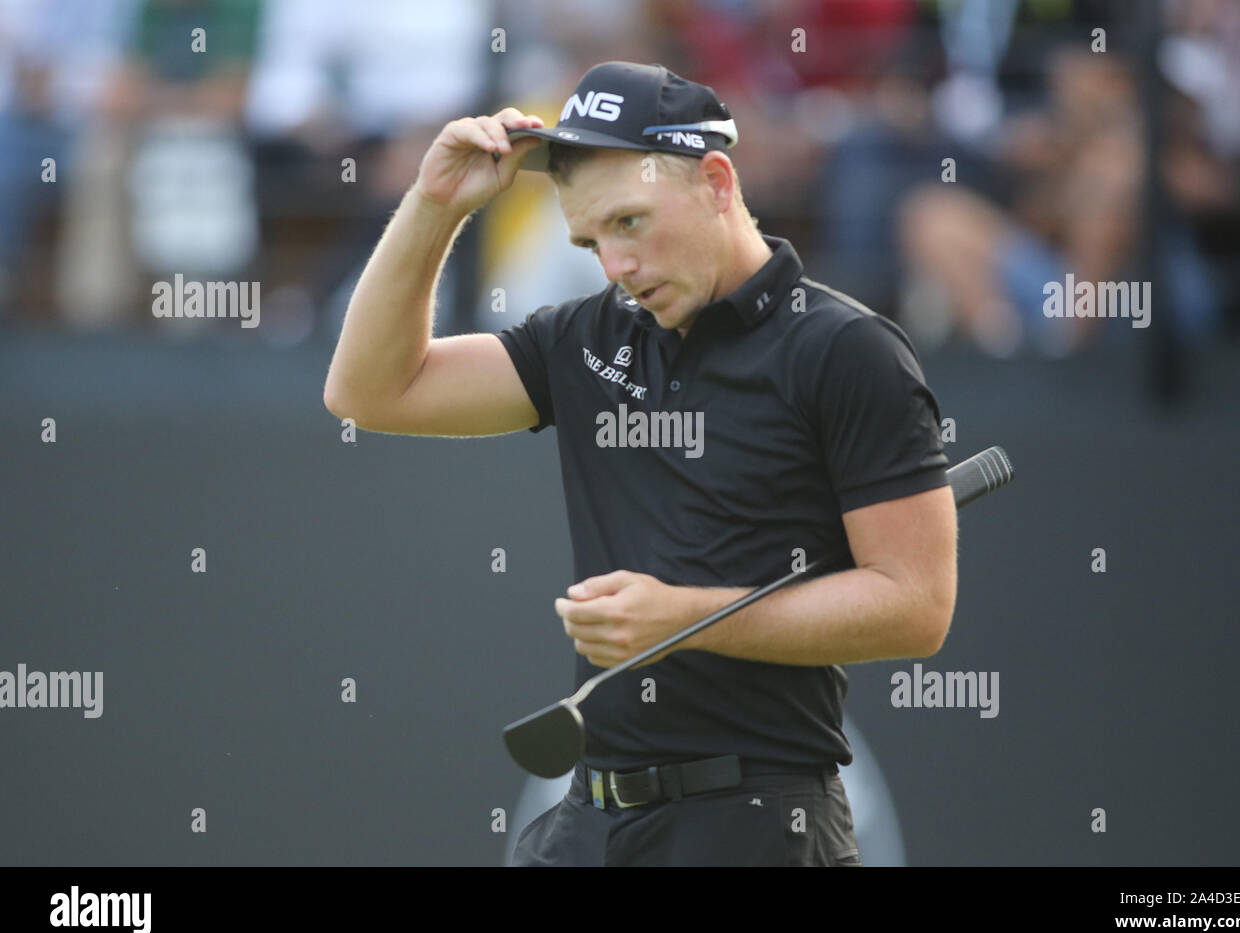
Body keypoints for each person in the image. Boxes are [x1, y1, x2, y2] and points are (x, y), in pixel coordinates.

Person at [323, 61, 958, 866]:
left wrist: (687, 616)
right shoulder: (587, 339)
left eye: (630, 222)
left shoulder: (846, 351)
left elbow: (916, 606)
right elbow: (370, 392)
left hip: (760, 826)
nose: (615, 265)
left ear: (717, 183)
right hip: (592, 820)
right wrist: (434, 208)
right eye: (591, 241)